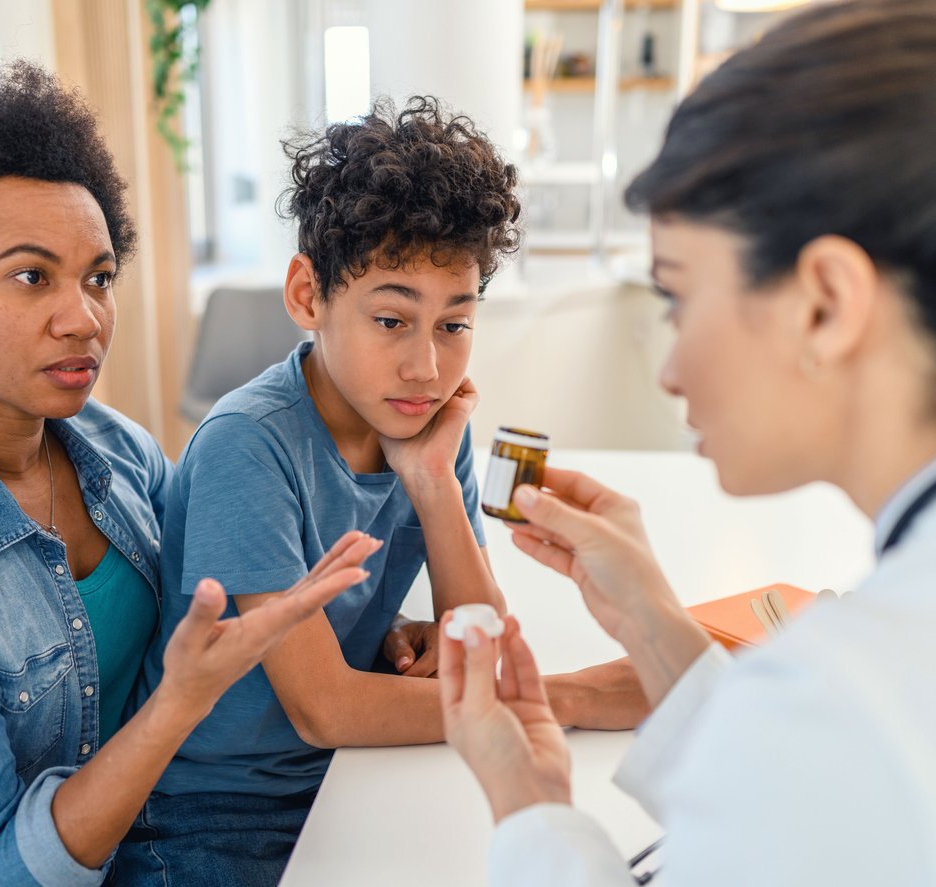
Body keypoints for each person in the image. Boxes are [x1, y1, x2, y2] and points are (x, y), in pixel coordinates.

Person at [0, 51, 380, 887]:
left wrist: (380, 637)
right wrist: (177, 704)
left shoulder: (114, 449)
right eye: (31, 277)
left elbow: (223, 618)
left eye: (99, 277)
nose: (85, 317)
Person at [439, 1, 936, 884]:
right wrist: (649, 622)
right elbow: (803, 815)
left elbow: (810, 773)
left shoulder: (842, 694)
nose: (668, 369)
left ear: (823, 302)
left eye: (677, 296)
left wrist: (529, 810)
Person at [136, 97, 647, 886]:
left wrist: (433, 483)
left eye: (453, 324)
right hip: (213, 819)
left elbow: (473, 643)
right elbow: (326, 707)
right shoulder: (250, 443)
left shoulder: (426, 425)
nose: (426, 368)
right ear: (309, 296)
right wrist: (572, 698)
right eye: (389, 320)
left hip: (344, 779)